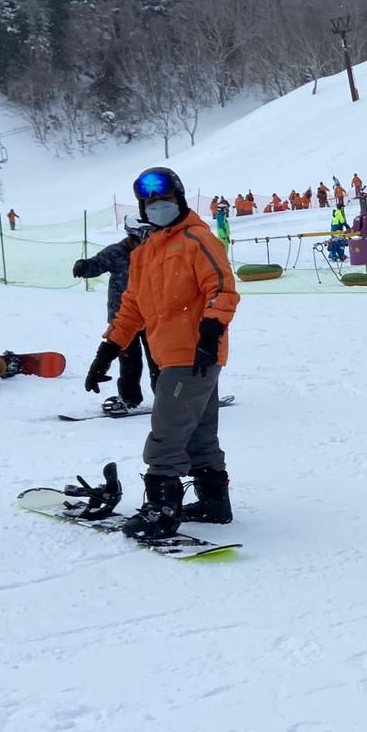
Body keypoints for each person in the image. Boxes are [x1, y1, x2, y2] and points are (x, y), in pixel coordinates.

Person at [84, 167, 239, 538]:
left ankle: (162, 510)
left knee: (166, 434)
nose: (157, 206)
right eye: (150, 202)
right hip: (169, 355)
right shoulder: (144, 253)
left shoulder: (198, 239)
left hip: (194, 354)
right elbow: (131, 309)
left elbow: (222, 288)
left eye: (165, 199)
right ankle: (214, 502)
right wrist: (107, 350)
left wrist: (210, 333)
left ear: (180, 200)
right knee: (200, 435)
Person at [71, 217, 158, 412]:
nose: (149, 240)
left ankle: (166, 396)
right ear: (134, 236)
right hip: (123, 317)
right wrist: (84, 266)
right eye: (145, 236)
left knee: (158, 360)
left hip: (150, 316)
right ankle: (129, 398)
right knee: (129, 362)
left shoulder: (154, 252)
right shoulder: (116, 252)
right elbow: (97, 264)